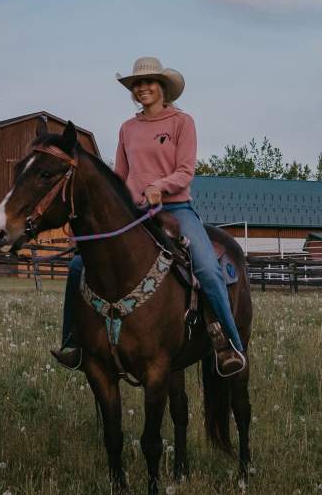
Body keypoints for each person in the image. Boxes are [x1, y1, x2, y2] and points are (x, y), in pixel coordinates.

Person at [51, 56, 246, 376]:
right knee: (77, 266)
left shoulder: (182, 122)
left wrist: (160, 186)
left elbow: (186, 171)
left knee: (208, 269)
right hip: (135, 213)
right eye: (137, 84)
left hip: (175, 209)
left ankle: (229, 344)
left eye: (149, 83)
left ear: (163, 87)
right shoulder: (127, 128)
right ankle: (74, 342)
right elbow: (119, 177)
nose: (142, 88)